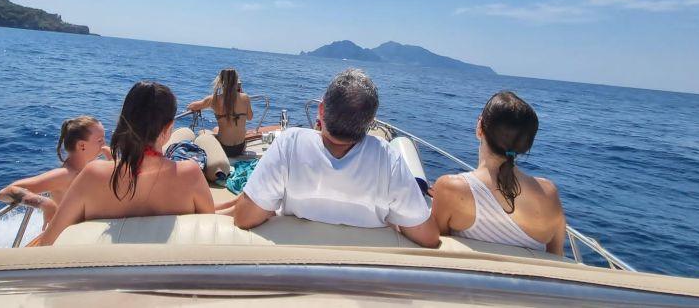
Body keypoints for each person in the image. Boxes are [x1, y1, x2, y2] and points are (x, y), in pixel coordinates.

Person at [232, 69, 439, 248]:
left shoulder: (290, 143)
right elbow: (428, 237)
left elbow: (244, 217)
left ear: (321, 110)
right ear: (369, 122)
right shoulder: (388, 157)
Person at [39, 82, 215, 246]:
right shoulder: (190, 175)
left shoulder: (92, 175)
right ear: (169, 127)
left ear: (123, 121)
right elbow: (210, 234)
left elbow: (48, 242)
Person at [430, 91, 566, 254]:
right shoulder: (549, 193)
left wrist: (442, 195)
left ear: (479, 127)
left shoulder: (450, 188)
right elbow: (557, 257)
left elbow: (433, 246)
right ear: (526, 145)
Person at [0, 115, 110, 228]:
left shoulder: (91, 168)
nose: (104, 145)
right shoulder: (65, 175)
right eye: (100, 140)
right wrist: (44, 203)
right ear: (82, 145)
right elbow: (5, 192)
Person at [187, 68, 253, 157]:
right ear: (237, 83)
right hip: (240, 147)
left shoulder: (214, 99)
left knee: (202, 132)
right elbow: (250, 117)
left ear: (221, 81)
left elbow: (190, 106)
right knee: (215, 129)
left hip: (224, 149)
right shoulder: (245, 98)